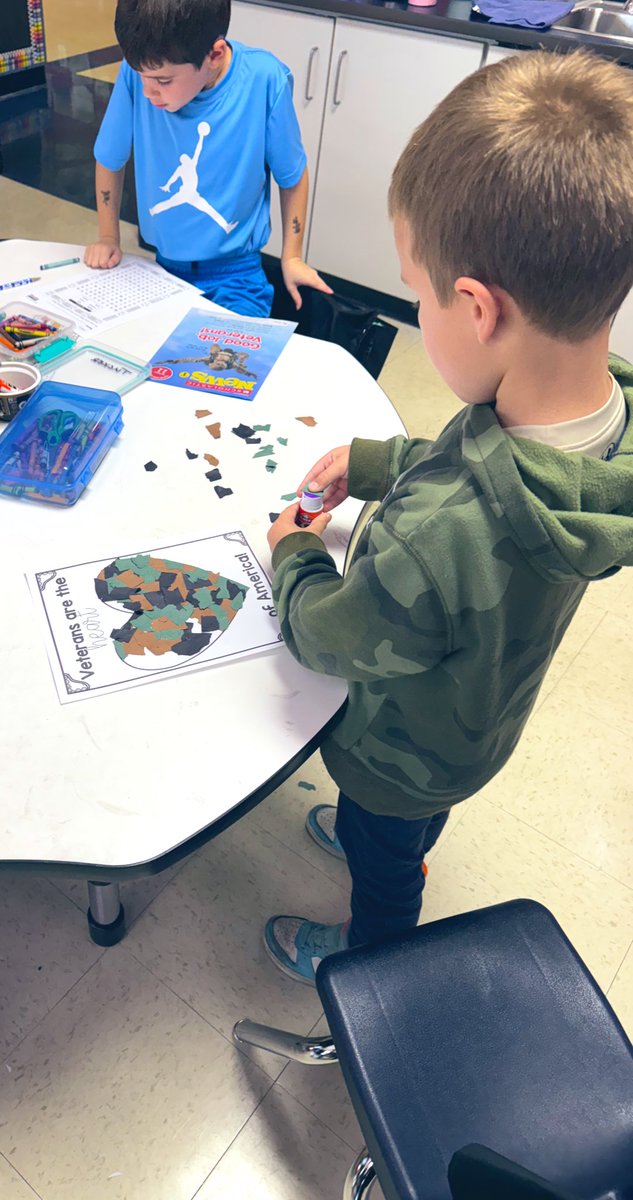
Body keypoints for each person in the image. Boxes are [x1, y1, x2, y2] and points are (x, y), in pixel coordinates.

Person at [262, 49, 633, 985]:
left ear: (474, 307)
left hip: (396, 755)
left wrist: (295, 554)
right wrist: (378, 461)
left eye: (417, 292)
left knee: (382, 855)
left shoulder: (441, 533)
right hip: (476, 725)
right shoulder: (602, 420)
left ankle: (367, 965)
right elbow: (472, 455)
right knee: (399, 830)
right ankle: (382, 843)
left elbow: (334, 639)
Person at [84, 0, 331, 317]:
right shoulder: (138, 76)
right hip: (161, 271)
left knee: (231, 362)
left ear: (214, 55)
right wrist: (108, 237)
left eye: (163, 81)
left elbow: (292, 174)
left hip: (237, 277)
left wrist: (292, 256)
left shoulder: (264, 80)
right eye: (141, 75)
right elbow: (110, 157)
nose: (148, 92)